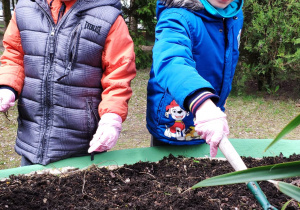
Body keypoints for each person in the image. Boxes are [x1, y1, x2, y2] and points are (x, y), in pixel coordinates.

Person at [0, 0, 136, 166]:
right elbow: (14, 54)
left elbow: (119, 72)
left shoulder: (107, 16)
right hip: (32, 142)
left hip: (82, 147)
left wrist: (112, 117)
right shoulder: (25, 8)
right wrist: (7, 85)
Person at [146, 0, 244, 157]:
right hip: (173, 123)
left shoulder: (234, 15)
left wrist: (220, 98)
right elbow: (172, 60)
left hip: (211, 118)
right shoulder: (176, 16)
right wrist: (203, 104)